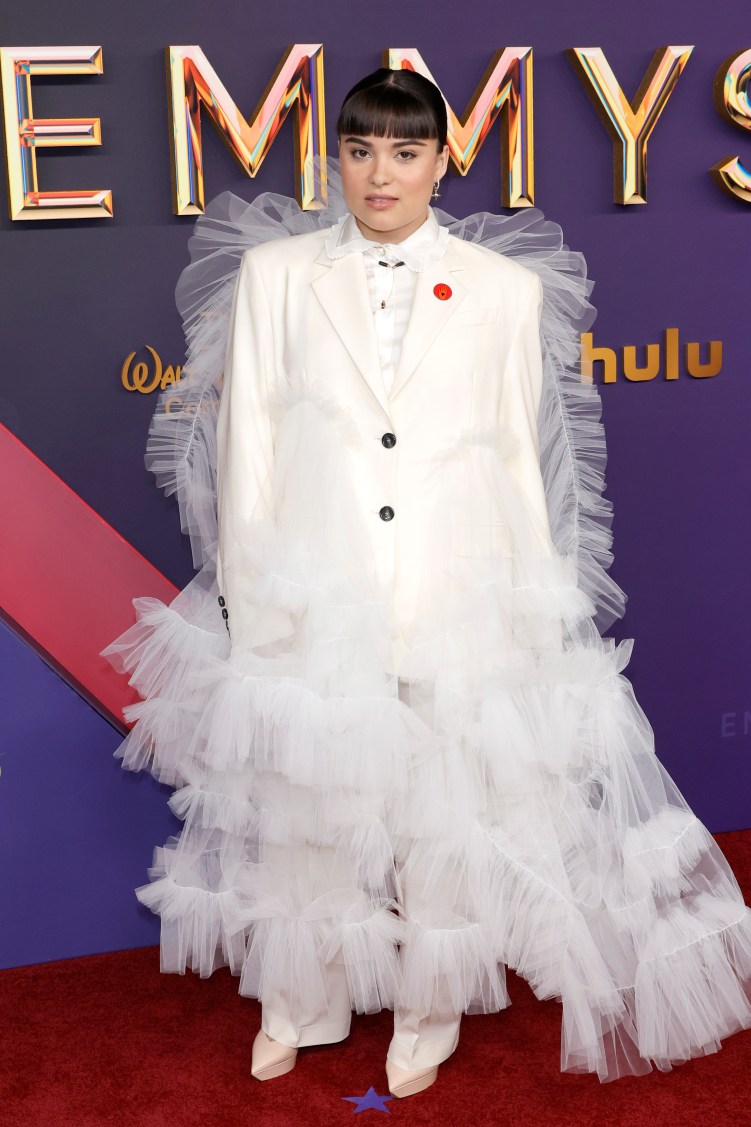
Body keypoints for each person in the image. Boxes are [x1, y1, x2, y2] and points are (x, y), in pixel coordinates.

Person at [102, 67, 751, 1098]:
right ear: (335, 160)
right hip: (317, 589)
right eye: (358, 151)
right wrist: (255, 596)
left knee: (444, 813)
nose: (378, 174)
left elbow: (517, 461)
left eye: (403, 152)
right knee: (310, 806)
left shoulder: (507, 291)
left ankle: (428, 1005)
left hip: (460, 592)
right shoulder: (274, 275)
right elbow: (247, 445)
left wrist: (530, 602)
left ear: (443, 160)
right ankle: (302, 998)